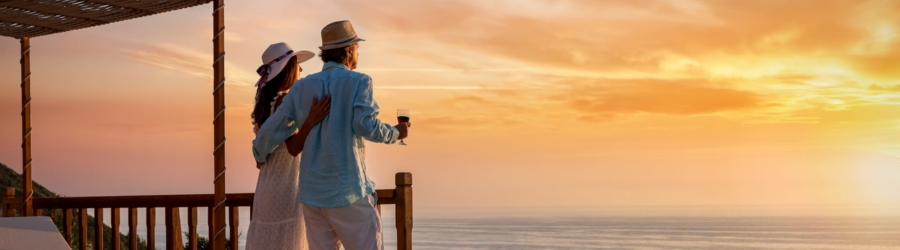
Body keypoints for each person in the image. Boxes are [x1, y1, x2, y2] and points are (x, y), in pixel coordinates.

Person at [253, 20, 410, 250]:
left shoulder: (302, 87)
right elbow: (365, 125)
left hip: (312, 198)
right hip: (348, 192)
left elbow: (270, 131)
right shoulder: (359, 82)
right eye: (356, 48)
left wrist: (258, 151)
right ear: (348, 51)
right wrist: (396, 133)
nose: (357, 53)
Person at [245, 42, 331, 250]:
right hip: (286, 184)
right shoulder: (284, 102)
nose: (301, 70)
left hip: (267, 184)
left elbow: (263, 154)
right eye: (297, 65)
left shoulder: (265, 103)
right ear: (288, 70)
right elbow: (293, 147)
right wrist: (311, 120)